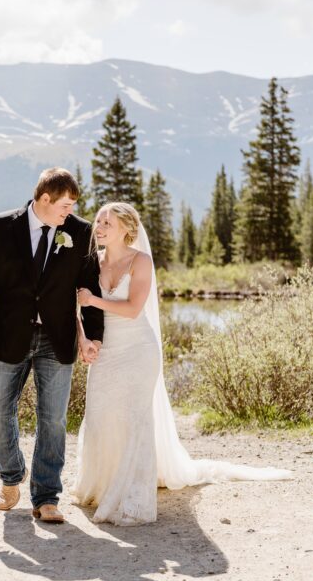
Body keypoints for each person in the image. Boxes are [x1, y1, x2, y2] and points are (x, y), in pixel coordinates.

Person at [73, 202, 293, 526]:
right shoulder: (92, 261)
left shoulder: (141, 261)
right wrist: (84, 340)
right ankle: (100, 485)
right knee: (100, 415)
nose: (99, 227)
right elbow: (76, 308)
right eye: (98, 221)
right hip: (105, 351)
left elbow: (134, 308)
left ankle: (132, 493)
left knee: (134, 419)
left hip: (137, 350)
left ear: (126, 229)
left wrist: (93, 300)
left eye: (107, 222)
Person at [0, 167, 103, 524]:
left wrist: (93, 337)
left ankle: (46, 496)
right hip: (7, 336)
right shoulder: (1, 227)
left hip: (57, 339)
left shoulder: (80, 232)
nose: (69, 211)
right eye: (65, 204)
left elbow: (90, 288)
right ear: (44, 199)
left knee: (53, 419)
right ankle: (11, 476)